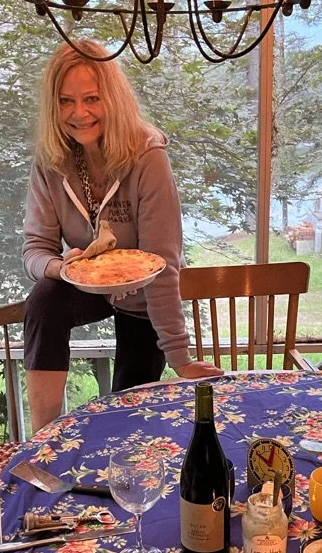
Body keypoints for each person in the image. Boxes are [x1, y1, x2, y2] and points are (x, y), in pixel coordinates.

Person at [22, 40, 222, 432]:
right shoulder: (49, 161)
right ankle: (42, 436)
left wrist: (180, 357)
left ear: (112, 97)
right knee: (43, 299)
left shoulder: (147, 155)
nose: (79, 113)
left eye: (91, 98)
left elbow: (161, 263)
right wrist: (61, 269)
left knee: (127, 420)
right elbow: (35, 250)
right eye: (65, 101)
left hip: (145, 297)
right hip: (85, 283)